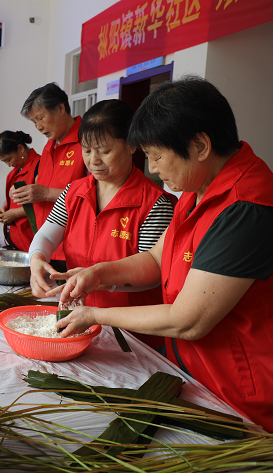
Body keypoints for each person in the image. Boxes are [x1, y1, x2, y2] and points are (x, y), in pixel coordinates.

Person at [52, 77, 273, 431]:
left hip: (240, 393)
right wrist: (98, 273)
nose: (152, 168)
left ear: (199, 145)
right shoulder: (197, 187)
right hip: (194, 374)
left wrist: (96, 314)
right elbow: (156, 258)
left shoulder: (245, 207)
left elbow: (190, 320)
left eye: (156, 156)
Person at [29, 100, 174, 349]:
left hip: (135, 334)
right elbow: (46, 236)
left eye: (104, 151)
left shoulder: (154, 203)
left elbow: (154, 273)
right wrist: (35, 259)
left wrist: (101, 280)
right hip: (80, 323)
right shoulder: (74, 192)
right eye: (87, 150)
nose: (93, 160)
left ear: (131, 145)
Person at [14, 83, 88, 272]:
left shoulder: (86, 142)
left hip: (73, 250)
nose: (38, 127)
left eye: (40, 118)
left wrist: (46, 193)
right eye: (34, 122)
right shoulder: (49, 147)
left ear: (61, 109)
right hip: (46, 246)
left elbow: (94, 195)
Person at [0, 131, 41, 251]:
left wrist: (14, 213)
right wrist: (4, 208)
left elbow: (43, 206)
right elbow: (14, 199)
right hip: (17, 242)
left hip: (32, 241)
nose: (8, 165)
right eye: (4, 161)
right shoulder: (15, 172)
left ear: (20, 148)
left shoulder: (40, 167)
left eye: (8, 159)